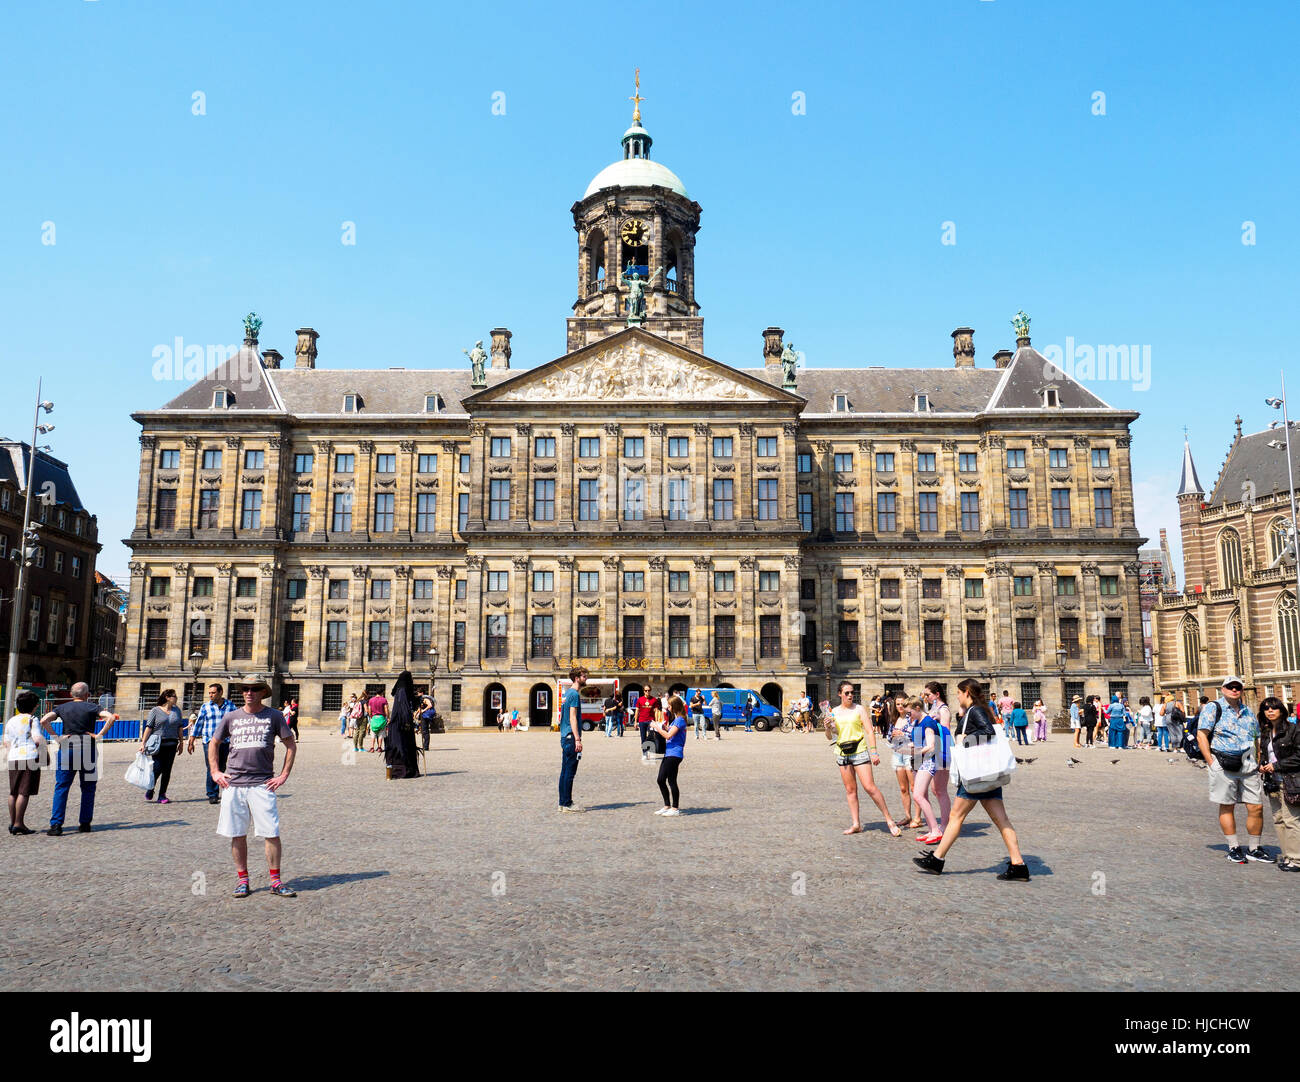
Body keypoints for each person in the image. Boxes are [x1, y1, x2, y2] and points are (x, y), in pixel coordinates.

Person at [913, 678, 1029, 880]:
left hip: (976, 775)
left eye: (958, 693)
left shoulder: (975, 710)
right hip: (987, 774)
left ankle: (937, 859)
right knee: (1001, 820)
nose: (957, 696)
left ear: (967, 692)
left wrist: (964, 738)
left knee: (956, 817)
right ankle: (1018, 864)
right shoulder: (975, 711)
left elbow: (987, 732)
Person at [211, 678, 297, 897]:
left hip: (262, 784)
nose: (249, 692)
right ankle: (243, 881)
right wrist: (215, 772)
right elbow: (214, 742)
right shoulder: (231, 716)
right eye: (246, 689)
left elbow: (290, 744)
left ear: (263, 692)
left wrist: (283, 775)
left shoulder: (274, 716)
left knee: (271, 833)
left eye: (255, 689)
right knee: (237, 834)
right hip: (234, 784)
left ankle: (275, 881)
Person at [1197, 676, 1272, 864]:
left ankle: (1254, 848)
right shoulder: (1213, 708)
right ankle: (1234, 847)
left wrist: (1259, 760)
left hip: (1248, 765)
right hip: (1223, 764)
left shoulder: (1248, 711)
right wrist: (1211, 762)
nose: (1234, 690)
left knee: (1256, 806)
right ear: (1223, 689)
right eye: (1230, 687)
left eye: (1237, 687)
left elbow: (1256, 737)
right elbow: (1201, 735)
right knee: (1227, 805)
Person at [826, 681, 900, 837]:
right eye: (847, 693)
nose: (850, 695)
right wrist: (827, 727)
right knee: (850, 790)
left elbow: (870, 731)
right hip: (842, 753)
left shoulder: (859, 709)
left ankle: (889, 820)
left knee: (869, 787)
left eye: (852, 692)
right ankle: (856, 824)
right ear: (839, 694)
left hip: (859, 751)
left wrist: (874, 752)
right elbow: (831, 736)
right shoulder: (834, 712)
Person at [42, 682, 116, 836]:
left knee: (61, 787)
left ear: (71, 694)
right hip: (87, 749)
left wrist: (57, 738)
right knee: (88, 788)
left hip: (67, 749)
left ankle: (56, 825)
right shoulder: (93, 707)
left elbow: (44, 720)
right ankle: (85, 823)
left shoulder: (62, 708)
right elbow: (110, 717)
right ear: (87, 695)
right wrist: (99, 735)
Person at [1259, 696, 1300, 871]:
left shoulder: (1293, 730)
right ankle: (1287, 855)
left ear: (1282, 711)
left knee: (1292, 820)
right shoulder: (1266, 732)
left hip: (1290, 780)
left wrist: (1276, 765)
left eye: (1274, 708)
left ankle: (1297, 860)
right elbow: (1264, 754)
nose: (1270, 711)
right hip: (1272, 782)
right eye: (1266, 708)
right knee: (1278, 820)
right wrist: (1261, 765)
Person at [5, 690, 47, 835]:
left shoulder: (11, 720)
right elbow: (37, 739)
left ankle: (12, 822)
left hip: (13, 756)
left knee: (13, 791)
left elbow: (6, 742)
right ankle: (19, 823)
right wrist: (44, 750)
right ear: (34, 706)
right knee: (24, 791)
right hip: (29, 756)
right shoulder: (32, 719)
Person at [187, 683, 235, 805]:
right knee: (211, 767)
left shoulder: (230, 706)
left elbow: (236, 722)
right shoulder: (205, 706)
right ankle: (212, 794)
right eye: (209, 693)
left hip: (225, 741)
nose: (210, 695)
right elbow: (199, 724)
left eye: (213, 693)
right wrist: (191, 740)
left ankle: (224, 791)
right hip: (209, 741)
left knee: (222, 766)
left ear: (220, 692)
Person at [904, 699, 944, 845]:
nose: (909, 715)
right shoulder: (919, 722)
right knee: (923, 795)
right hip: (921, 760)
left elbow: (931, 745)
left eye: (910, 712)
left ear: (918, 708)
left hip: (928, 761)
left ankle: (935, 830)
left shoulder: (927, 722)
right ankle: (931, 829)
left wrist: (915, 750)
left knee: (918, 795)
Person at [140, 689, 184, 804]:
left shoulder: (177, 711)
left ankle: (162, 794)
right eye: (175, 696)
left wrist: (181, 743)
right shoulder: (155, 710)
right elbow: (149, 727)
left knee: (167, 770)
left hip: (172, 743)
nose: (176, 698)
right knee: (157, 768)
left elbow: (180, 727)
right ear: (167, 697)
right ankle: (151, 788)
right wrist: (143, 743)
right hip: (158, 743)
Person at [652, 695, 687, 815]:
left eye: (669, 705)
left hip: (674, 754)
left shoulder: (680, 720)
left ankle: (675, 808)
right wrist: (664, 726)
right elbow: (670, 731)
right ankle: (667, 805)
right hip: (669, 753)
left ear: (675, 706)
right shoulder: (675, 720)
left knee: (667, 780)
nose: (668, 707)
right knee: (664, 780)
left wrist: (657, 727)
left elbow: (668, 736)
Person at [883, 696, 915, 827]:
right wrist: (892, 736)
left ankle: (917, 818)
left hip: (910, 754)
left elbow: (918, 736)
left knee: (914, 788)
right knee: (903, 788)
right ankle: (907, 816)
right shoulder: (894, 720)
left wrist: (903, 735)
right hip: (897, 754)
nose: (900, 706)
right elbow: (889, 738)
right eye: (897, 704)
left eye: (902, 704)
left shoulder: (912, 718)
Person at [384, 671, 421, 780]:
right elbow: (403, 708)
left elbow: (410, 703)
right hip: (401, 724)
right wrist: (407, 722)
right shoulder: (402, 691)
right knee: (401, 746)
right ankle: (402, 771)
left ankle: (404, 770)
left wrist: (418, 700)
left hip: (399, 724)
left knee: (404, 745)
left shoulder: (401, 690)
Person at [558, 667, 585, 812]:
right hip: (570, 737)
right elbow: (573, 717)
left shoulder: (567, 693)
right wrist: (577, 739)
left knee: (564, 772)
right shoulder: (574, 694)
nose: (585, 678)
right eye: (583, 676)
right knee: (569, 772)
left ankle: (562, 803)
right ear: (577, 678)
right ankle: (567, 803)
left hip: (564, 736)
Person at [637, 689, 657, 762]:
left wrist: (656, 721)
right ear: (644, 691)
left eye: (648, 690)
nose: (647, 692)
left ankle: (649, 749)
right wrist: (636, 721)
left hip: (650, 721)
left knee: (651, 736)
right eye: (646, 690)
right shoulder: (640, 699)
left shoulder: (654, 699)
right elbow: (637, 710)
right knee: (643, 737)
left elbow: (656, 711)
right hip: (642, 720)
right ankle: (644, 753)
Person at [367, 688, 388, 753]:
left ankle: (372, 747)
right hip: (382, 718)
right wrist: (388, 717)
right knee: (381, 734)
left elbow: (369, 710)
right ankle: (379, 748)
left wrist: (371, 716)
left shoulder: (371, 700)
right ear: (382, 693)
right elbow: (386, 709)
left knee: (373, 734)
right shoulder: (384, 700)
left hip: (374, 717)